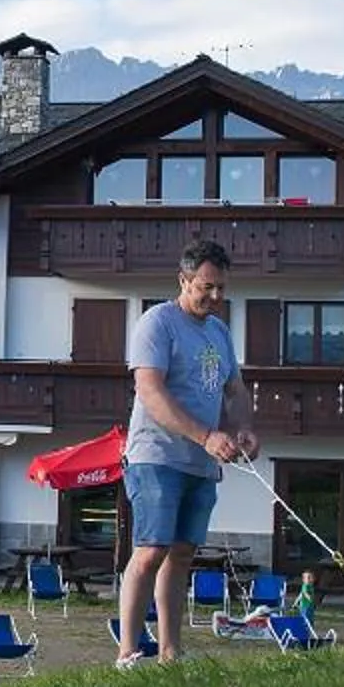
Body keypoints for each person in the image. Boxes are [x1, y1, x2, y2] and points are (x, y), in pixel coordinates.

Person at [119, 239, 259, 665]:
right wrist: (205, 436)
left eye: (221, 289)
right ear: (184, 280)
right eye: (206, 287)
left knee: (181, 554)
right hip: (155, 457)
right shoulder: (157, 323)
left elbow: (234, 390)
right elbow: (150, 391)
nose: (215, 297)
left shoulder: (219, 332)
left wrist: (243, 427)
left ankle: (170, 651)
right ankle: (128, 651)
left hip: (201, 464)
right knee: (151, 550)